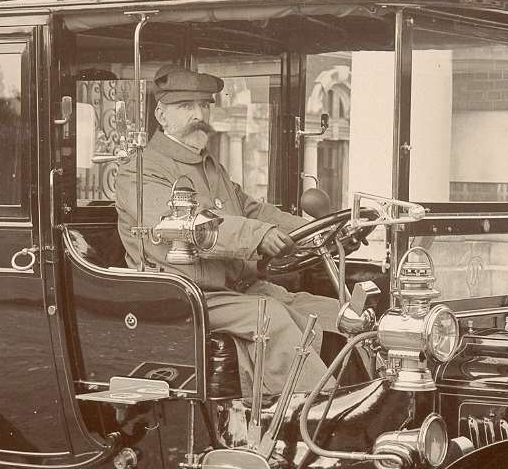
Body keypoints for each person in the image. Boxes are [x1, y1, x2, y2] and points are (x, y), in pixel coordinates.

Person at [115, 65, 342, 399]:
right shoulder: (140, 170)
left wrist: (316, 230)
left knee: (334, 313)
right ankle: (318, 415)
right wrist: (257, 236)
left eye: (204, 106)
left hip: (234, 291)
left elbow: (251, 209)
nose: (198, 115)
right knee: (271, 318)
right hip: (184, 295)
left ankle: (365, 401)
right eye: (186, 107)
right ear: (161, 115)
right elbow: (186, 223)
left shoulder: (210, 166)